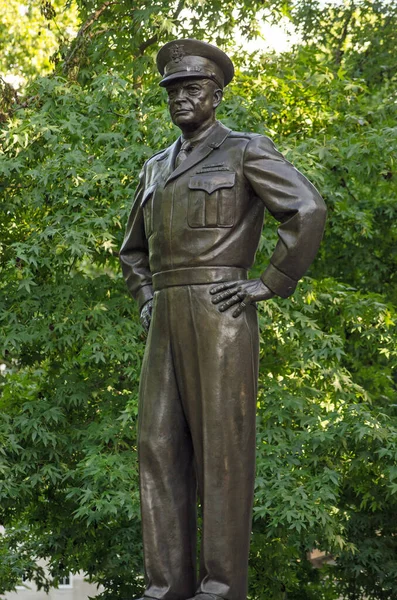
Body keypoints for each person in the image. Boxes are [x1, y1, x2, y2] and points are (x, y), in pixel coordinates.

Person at [120, 38, 326, 600]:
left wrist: (270, 282)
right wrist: (144, 300)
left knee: (222, 450)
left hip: (221, 308)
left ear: (215, 94)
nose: (181, 98)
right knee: (159, 448)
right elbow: (131, 252)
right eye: (172, 91)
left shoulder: (245, 150)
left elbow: (306, 210)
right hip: (165, 310)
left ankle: (221, 588)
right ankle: (164, 587)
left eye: (192, 89)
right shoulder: (155, 167)